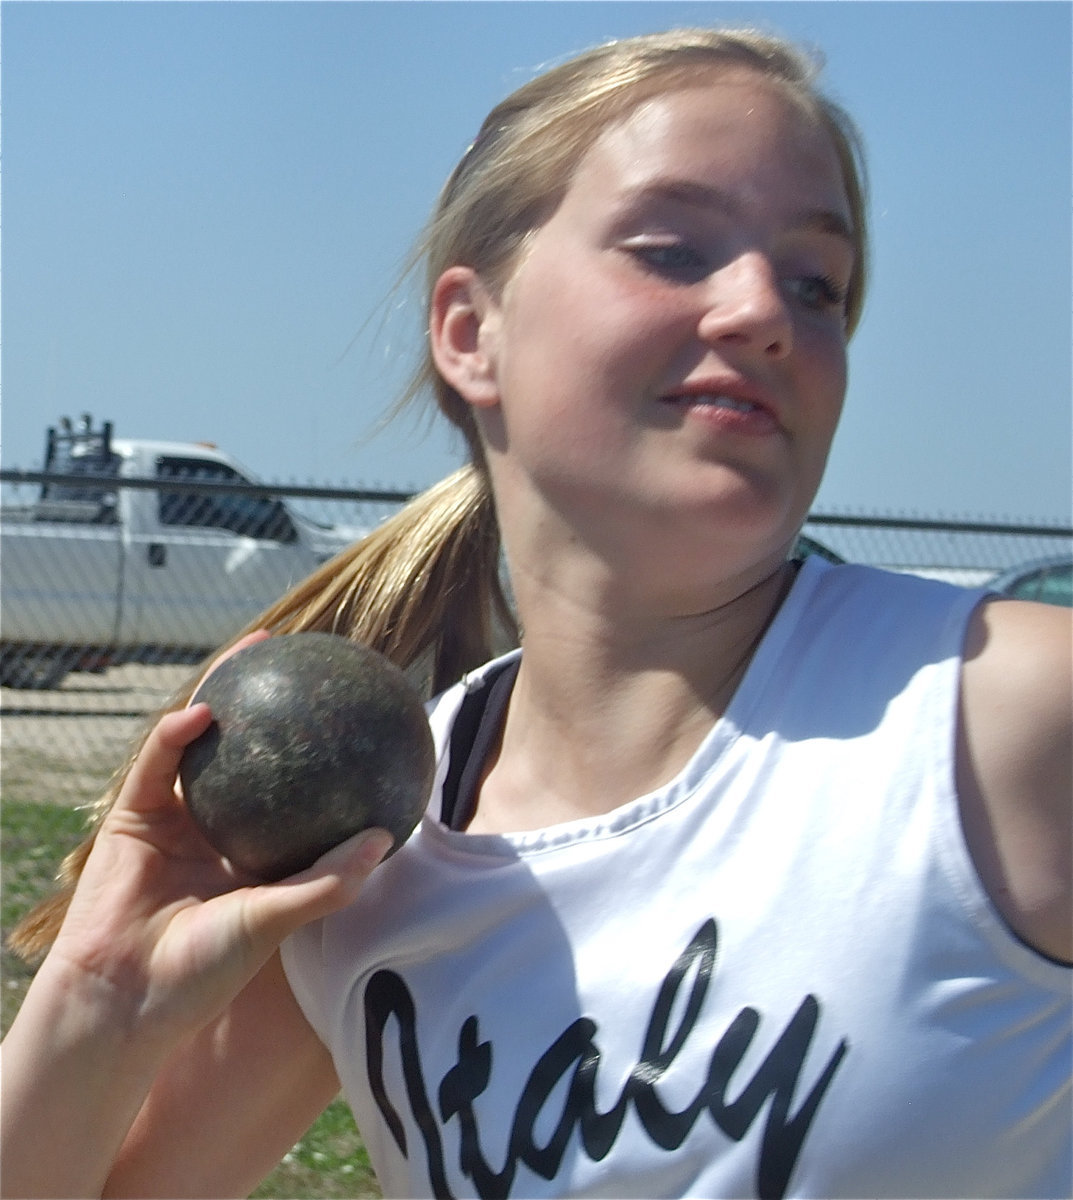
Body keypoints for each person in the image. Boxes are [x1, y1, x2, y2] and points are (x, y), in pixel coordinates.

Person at [2, 25, 1070, 1200]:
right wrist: (99, 999)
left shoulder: (1000, 722)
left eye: (819, 282)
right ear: (472, 332)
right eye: (672, 249)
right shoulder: (369, 845)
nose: (765, 306)